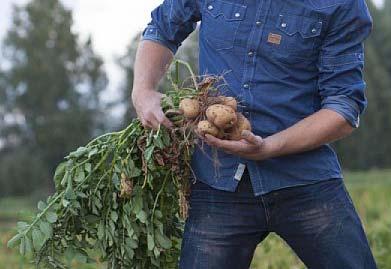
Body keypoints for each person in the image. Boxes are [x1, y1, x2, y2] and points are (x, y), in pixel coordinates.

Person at [131, 0, 377, 268]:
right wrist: (142, 91)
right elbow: (162, 28)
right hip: (218, 180)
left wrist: (269, 147)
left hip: (305, 179)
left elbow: (343, 107)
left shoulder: (341, 4)